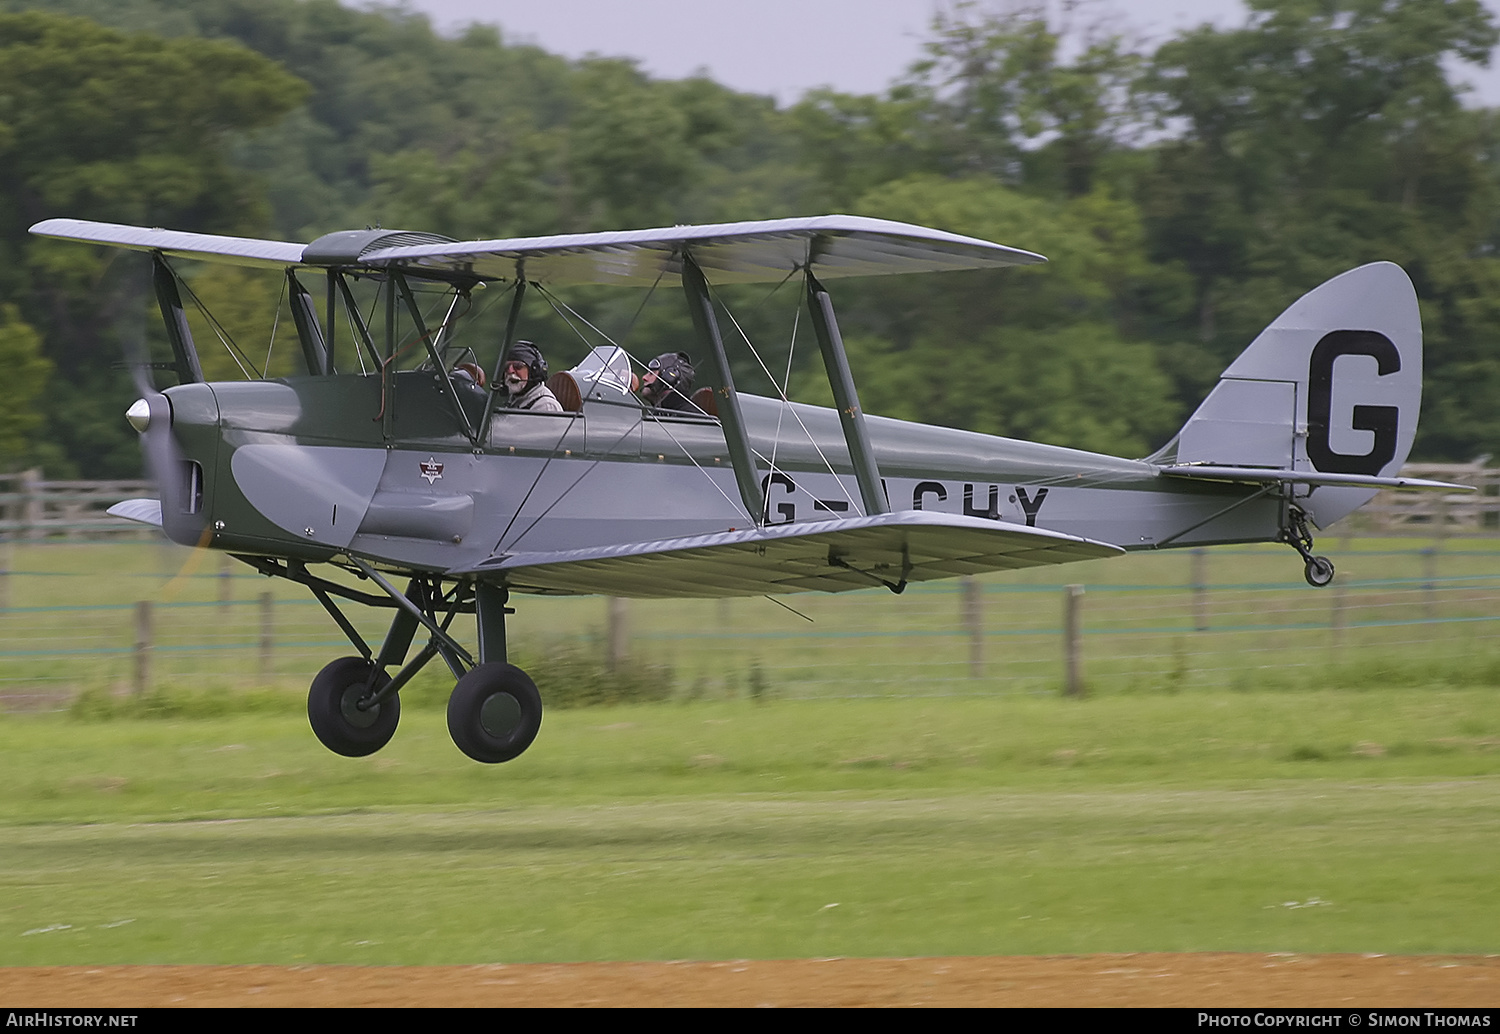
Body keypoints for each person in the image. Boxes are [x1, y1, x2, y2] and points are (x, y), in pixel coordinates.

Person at [500, 340, 563, 413]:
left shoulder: (546, 406)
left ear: (534, 371)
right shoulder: (514, 402)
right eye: (506, 367)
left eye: (518, 366)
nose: (510, 371)